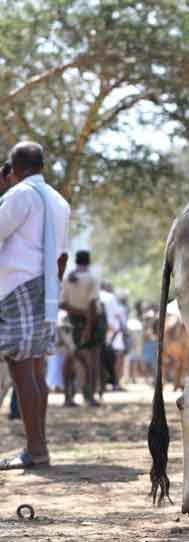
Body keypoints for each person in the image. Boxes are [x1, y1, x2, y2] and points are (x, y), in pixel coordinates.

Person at [0, 141, 70, 469]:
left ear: (13, 168)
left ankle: (36, 450)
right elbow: (62, 255)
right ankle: (38, 447)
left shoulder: (19, 195)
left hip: (18, 285)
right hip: (46, 286)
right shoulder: (59, 201)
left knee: (21, 365)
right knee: (36, 367)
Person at [60, 250, 105, 406]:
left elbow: (62, 304)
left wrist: (78, 312)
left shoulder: (68, 278)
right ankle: (90, 397)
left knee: (70, 358)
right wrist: (88, 326)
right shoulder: (91, 279)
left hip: (71, 321)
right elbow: (92, 304)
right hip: (92, 321)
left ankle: (68, 396)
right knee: (92, 359)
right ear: (89, 262)